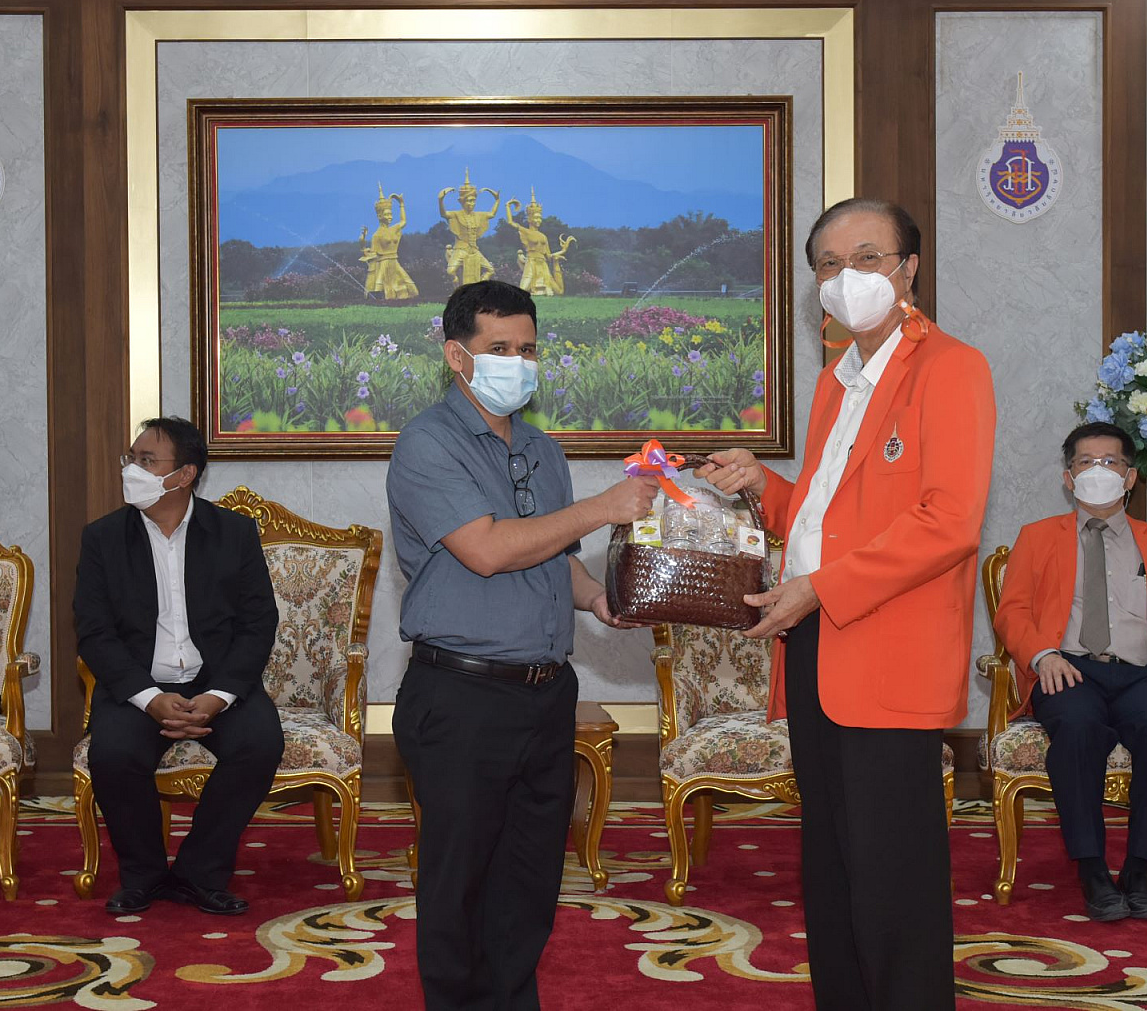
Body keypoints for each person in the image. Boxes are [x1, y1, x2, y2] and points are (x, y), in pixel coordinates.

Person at [698, 198, 995, 1011]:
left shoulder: (950, 367)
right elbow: (827, 518)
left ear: (908, 269)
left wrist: (819, 589)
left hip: (886, 653)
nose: (846, 277)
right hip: (816, 647)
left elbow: (949, 521)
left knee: (893, 876)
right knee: (832, 866)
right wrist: (764, 484)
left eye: (867, 257)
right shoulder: (839, 380)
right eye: (828, 264)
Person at [387, 280, 658, 1010]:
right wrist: (602, 508)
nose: (518, 363)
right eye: (499, 349)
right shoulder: (427, 443)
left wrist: (596, 597)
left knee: (530, 879)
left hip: (545, 694)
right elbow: (486, 549)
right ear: (457, 356)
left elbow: (549, 552)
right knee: (460, 883)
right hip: (461, 696)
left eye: (528, 349)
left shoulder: (541, 448)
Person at [993, 421, 1147, 920]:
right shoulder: (1037, 538)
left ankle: (1140, 871)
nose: (1098, 471)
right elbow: (1012, 614)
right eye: (1086, 462)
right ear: (1068, 477)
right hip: (1068, 670)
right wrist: (1043, 655)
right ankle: (1093, 871)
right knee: (1078, 729)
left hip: (1143, 672)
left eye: (1110, 462)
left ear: (1130, 477)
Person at [73, 416, 283, 916]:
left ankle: (199, 873)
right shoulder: (103, 538)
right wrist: (149, 698)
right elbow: (94, 632)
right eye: (131, 458)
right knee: (113, 754)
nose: (132, 469)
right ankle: (144, 876)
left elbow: (258, 624)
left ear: (184, 474)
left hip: (217, 683)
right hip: (139, 686)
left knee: (259, 743)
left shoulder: (233, 532)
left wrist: (218, 697)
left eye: (147, 461)